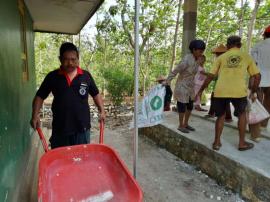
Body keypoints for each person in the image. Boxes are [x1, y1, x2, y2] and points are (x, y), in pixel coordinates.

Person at [30, 42, 105, 149]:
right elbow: (40, 96)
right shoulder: (53, 77)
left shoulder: (86, 76)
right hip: (60, 129)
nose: (70, 63)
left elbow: (96, 94)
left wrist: (102, 110)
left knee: (81, 160)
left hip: (82, 129)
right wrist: (34, 115)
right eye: (66, 59)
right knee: (61, 162)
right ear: (60, 59)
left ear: (78, 59)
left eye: (73, 59)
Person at [197, 36, 261, 151]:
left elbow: (211, 76)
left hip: (221, 91)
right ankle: (242, 143)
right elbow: (257, 76)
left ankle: (216, 142)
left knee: (220, 116)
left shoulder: (221, 57)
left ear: (227, 46)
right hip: (239, 91)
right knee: (242, 115)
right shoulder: (246, 57)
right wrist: (254, 91)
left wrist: (201, 89)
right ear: (240, 45)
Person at [166, 39, 206, 133]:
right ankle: (181, 125)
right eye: (200, 51)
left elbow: (199, 71)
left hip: (190, 86)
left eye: (202, 51)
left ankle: (186, 124)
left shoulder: (197, 60)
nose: (201, 53)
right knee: (182, 106)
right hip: (182, 85)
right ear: (194, 50)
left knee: (190, 106)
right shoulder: (186, 60)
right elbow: (175, 71)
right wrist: (168, 80)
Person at [205, 44, 233, 122]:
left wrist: (207, 77)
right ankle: (212, 113)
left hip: (223, 86)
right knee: (214, 98)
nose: (216, 55)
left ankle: (228, 117)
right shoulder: (223, 62)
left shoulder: (223, 63)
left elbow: (214, 76)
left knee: (225, 101)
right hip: (219, 85)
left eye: (217, 54)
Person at [251, 25, 270, 130]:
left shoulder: (258, 45)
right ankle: (264, 124)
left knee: (257, 102)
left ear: (265, 35)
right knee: (269, 102)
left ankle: (256, 126)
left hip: (259, 77)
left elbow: (253, 62)